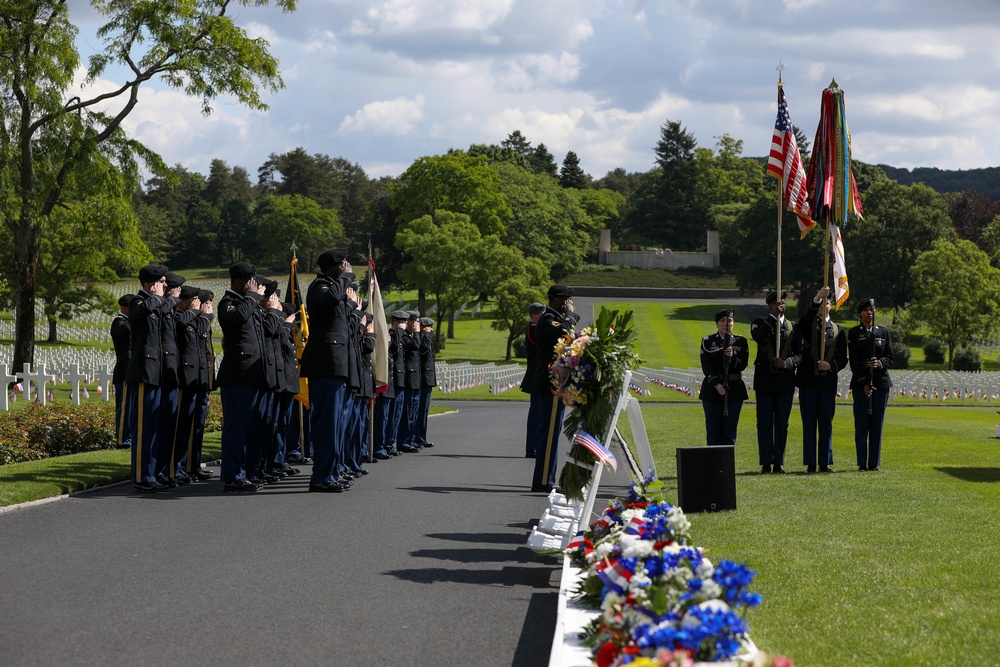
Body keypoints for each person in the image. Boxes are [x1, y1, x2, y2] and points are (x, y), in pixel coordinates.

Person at [299, 248, 355, 493]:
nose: (347, 266)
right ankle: (321, 476)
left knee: (335, 424)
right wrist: (346, 277)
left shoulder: (334, 286)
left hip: (336, 363)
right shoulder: (320, 286)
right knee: (327, 424)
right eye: (342, 263)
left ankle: (330, 472)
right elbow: (331, 298)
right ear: (334, 266)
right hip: (326, 363)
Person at [216, 262, 269, 492]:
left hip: (252, 375)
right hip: (237, 374)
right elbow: (236, 319)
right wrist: (250, 297)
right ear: (240, 281)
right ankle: (232, 475)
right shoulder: (228, 304)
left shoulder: (251, 304)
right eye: (251, 280)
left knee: (251, 428)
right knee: (236, 428)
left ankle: (246, 471)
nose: (256, 285)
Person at [126, 264, 171, 492]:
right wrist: (156, 296)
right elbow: (141, 311)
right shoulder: (138, 302)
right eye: (162, 281)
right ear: (150, 283)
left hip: (156, 372)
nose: (165, 285)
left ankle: (152, 473)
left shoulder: (157, 302)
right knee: (144, 429)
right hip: (144, 372)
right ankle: (142, 477)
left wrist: (161, 299)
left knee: (154, 428)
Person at [530, 285, 577, 493]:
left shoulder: (554, 318)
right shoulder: (549, 319)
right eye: (566, 299)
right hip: (550, 382)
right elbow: (563, 332)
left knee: (551, 432)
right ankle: (542, 481)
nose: (569, 302)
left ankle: (546, 478)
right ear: (557, 300)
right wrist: (571, 314)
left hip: (553, 382)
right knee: (548, 434)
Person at [796, 286, 847, 473]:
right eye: (820, 303)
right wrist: (817, 297)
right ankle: (810, 462)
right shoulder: (809, 324)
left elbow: (843, 358)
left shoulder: (838, 330)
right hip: (809, 381)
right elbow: (802, 324)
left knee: (826, 422)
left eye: (826, 302)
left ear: (831, 306)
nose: (822, 306)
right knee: (809, 422)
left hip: (827, 382)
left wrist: (831, 365)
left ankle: (824, 462)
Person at [750, 290, 801, 473]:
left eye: (782, 302)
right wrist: (772, 317)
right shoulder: (759, 322)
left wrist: (786, 363)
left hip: (785, 382)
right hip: (765, 381)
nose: (779, 306)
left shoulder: (792, 327)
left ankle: (778, 462)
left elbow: (799, 354)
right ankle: (765, 462)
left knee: (781, 424)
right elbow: (759, 337)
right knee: (764, 423)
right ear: (770, 305)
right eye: (775, 304)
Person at [848, 298, 894, 472]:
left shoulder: (883, 332)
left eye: (872, 309)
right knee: (862, 424)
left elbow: (890, 356)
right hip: (862, 385)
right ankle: (861, 463)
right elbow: (853, 361)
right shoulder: (854, 333)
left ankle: (874, 463)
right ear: (860, 313)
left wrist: (880, 363)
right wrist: (864, 383)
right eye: (866, 309)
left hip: (880, 384)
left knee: (876, 424)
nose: (870, 312)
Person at [698, 309, 749, 446]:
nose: (726, 324)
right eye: (722, 321)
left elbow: (742, 365)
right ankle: (713, 464)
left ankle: (726, 465)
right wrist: (717, 385)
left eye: (729, 321)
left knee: (730, 430)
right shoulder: (708, 341)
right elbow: (706, 366)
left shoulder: (741, 341)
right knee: (713, 430)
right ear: (717, 324)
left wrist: (731, 357)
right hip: (712, 390)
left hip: (734, 390)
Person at [520, 302, 546, 458]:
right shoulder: (534, 329)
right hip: (536, 376)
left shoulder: (538, 328)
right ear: (535, 315)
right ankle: (532, 447)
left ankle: (535, 446)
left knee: (540, 413)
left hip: (538, 375)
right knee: (536, 413)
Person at [110, 293, 134, 449]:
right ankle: (122, 438)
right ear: (125, 308)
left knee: (131, 407)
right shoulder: (119, 323)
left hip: (132, 371)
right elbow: (124, 330)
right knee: (124, 408)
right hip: (124, 371)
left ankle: (129, 436)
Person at [415, 316, 437, 448]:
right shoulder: (423, 338)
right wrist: (426, 334)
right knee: (420, 410)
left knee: (424, 410)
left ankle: (421, 437)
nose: (431, 330)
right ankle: (418, 437)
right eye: (429, 327)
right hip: (423, 378)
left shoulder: (425, 338)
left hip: (427, 378)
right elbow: (422, 349)